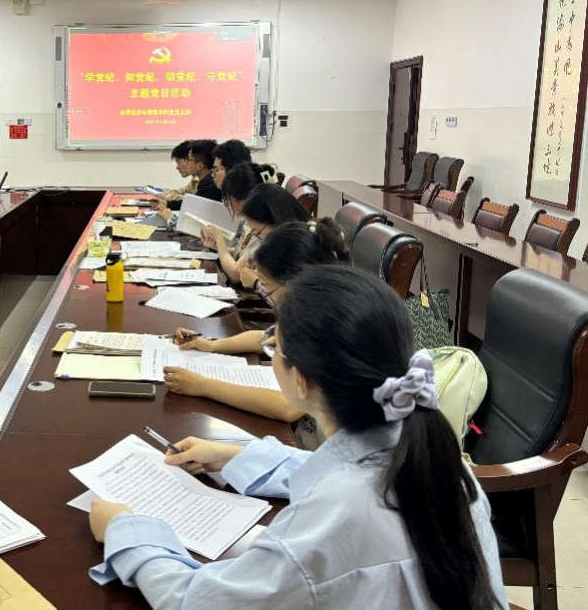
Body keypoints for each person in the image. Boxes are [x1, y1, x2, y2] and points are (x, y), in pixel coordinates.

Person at [89, 265, 506, 610]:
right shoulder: (436, 457)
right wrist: (234, 457)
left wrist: (128, 531)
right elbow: (348, 470)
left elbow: (194, 601)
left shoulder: (325, 524)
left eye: (275, 346)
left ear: (301, 381)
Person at [169, 219, 348, 448]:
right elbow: (266, 337)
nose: (267, 296)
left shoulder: (328, 325)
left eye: (267, 288)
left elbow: (288, 407)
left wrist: (203, 385)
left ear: (293, 283)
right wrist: (212, 345)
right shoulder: (320, 305)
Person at [234, 183, 311, 289]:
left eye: (257, 232)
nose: (259, 240)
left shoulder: (302, 248)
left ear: (276, 220)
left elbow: (290, 296)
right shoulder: (288, 240)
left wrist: (257, 284)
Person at [201, 164, 261, 284]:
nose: (228, 205)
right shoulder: (250, 219)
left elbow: (235, 274)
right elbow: (241, 253)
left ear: (236, 198)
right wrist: (219, 247)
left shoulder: (260, 224)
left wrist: (219, 239)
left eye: (227, 200)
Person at [156, 140, 220, 223]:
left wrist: (170, 219)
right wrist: (167, 204)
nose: (186, 163)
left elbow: (194, 220)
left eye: (188, 160)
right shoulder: (204, 180)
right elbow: (192, 204)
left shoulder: (209, 184)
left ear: (199, 165)